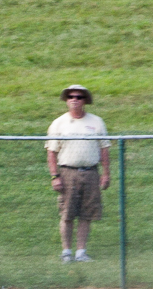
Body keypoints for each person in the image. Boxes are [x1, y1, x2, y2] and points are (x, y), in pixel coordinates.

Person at [45, 85, 111, 263]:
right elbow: (51, 152)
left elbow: (104, 149)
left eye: (79, 97)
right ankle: (66, 251)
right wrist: (55, 176)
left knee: (86, 214)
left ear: (85, 101)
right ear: (66, 100)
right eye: (71, 96)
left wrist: (105, 174)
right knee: (67, 214)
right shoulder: (59, 123)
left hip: (90, 173)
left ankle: (81, 251)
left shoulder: (97, 122)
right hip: (67, 172)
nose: (74, 99)